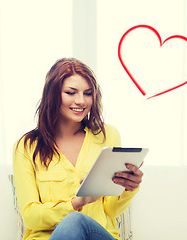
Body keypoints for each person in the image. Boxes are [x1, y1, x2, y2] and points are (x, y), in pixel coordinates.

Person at [13, 58, 143, 240]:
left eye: (88, 93)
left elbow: (110, 210)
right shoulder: (26, 147)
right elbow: (31, 217)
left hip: (97, 235)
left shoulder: (108, 136)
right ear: (53, 94)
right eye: (71, 92)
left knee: (76, 221)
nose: (81, 101)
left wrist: (129, 189)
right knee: (73, 221)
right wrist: (77, 203)